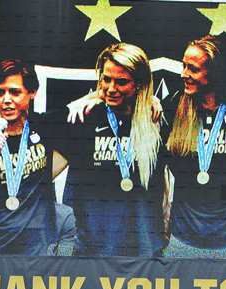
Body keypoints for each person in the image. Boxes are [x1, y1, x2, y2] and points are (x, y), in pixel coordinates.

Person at [61, 42, 165, 257]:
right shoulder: (83, 117)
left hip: (144, 248)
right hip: (92, 249)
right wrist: (86, 99)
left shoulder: (157, 120)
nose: (110, 88)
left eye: (121, 82)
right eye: (106, 79)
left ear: (139, 84)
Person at [165, 35, 226, 258]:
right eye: (183, 66)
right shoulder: (173, 107)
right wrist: (90, 99)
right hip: (184, 235)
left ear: (217, 72)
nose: (183, 74)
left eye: (193, 69)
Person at [0, 59, 67, 255]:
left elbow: (63, 158)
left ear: (32, 93)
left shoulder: (46, 127)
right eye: (0, 92)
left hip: (34, 240)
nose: (6, 99)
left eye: (15, 92)